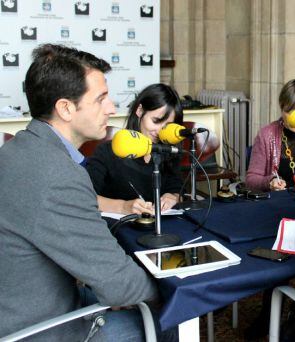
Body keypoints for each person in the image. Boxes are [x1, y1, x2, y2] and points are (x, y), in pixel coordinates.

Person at [0, 44, 171, 341]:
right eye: (101, 99)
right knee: (169, 321)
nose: (113, 109)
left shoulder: (16, 149)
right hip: (37, 329)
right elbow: (121, 286)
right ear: (66, 108)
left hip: (20, 307)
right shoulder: (58, 175)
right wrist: (176, 287)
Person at [85, 83, 184, 215]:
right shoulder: (107, 152)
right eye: (156, 121)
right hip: (118, 229)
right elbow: (84, 198)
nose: (159, 131)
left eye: (167, 126)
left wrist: (172, 197)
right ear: (140, 111)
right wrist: (123, 207)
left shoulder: (168, 152)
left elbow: (177, 190)